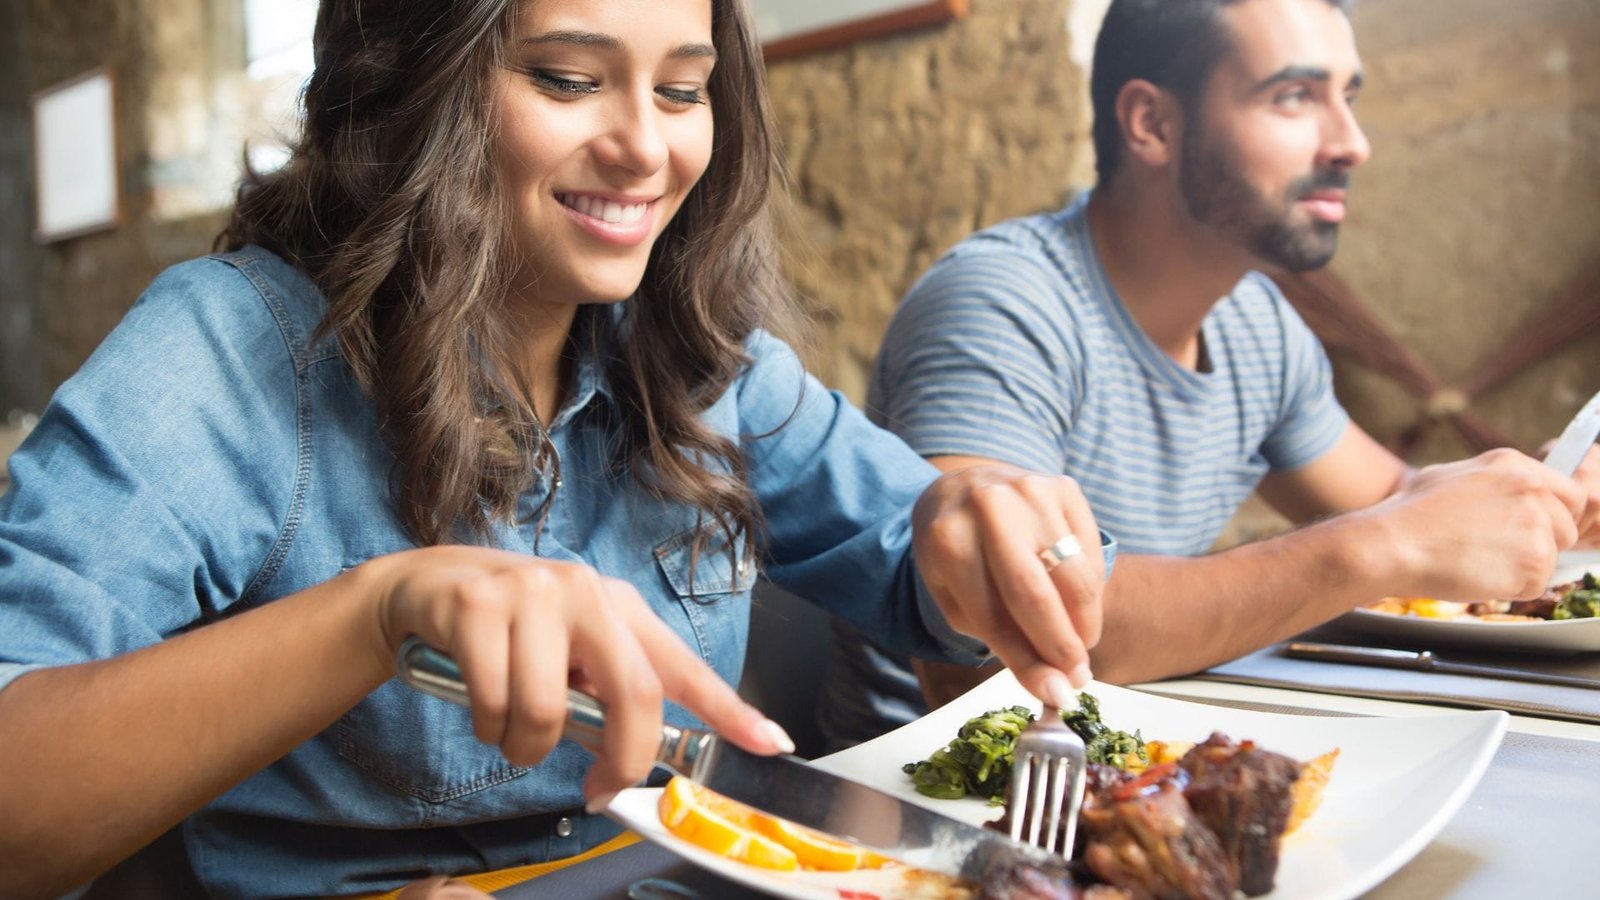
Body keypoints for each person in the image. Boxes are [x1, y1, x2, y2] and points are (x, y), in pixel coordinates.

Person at [0, 1, 1112, 897]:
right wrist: (377, 613)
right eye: (569, 80)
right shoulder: (224, 351)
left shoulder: (698, 358)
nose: (643, 145)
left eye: (682, 90)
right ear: (412, 84)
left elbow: (914, 558)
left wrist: (966, 524)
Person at [820, 0, 1599, 752]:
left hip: (1143, 761)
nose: (1352, 142)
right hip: (926, 803)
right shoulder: (1002, 304)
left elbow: (1409, 510)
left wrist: (1549, 499)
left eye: (1348, 97)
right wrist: (1381, 544)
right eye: (1294, 97)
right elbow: (997, 646)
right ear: (1153, 123)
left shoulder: (1256, 323)